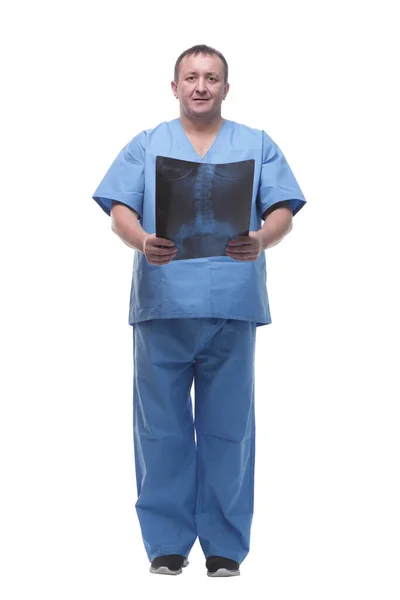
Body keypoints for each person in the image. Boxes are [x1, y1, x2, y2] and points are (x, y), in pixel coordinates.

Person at [92, 44, 306, 578]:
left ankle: (224, 547)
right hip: (164, 303)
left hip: (231, 304)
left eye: (212, 77)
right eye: (191, 76)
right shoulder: (147, 145)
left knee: (228, 428)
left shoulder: (256, 145)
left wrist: (260, 239)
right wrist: (142, 241)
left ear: (226, 88)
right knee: (160, 429)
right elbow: (120, 209)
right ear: (174, 86)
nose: (201, 86)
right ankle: (166, 544)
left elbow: (282, 210)